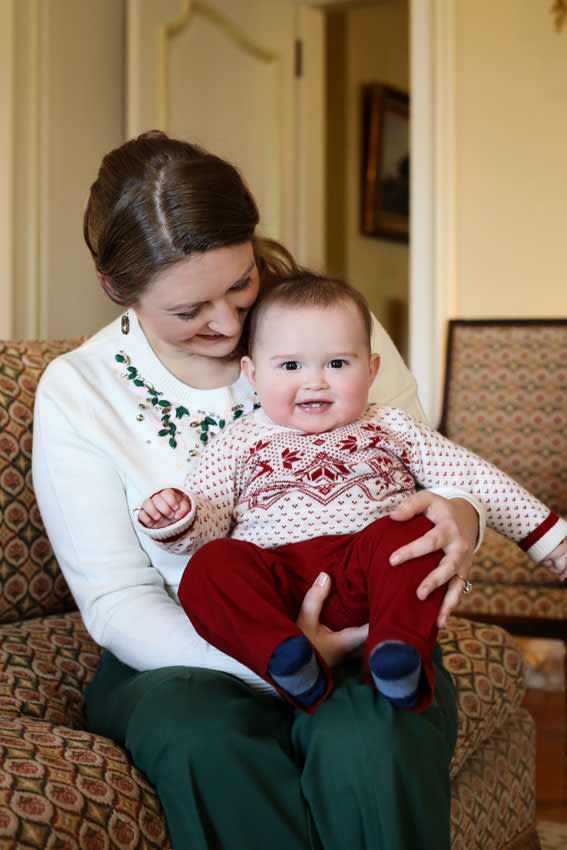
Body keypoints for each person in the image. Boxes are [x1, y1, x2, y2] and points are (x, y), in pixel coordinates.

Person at [32, 130, 484, 850]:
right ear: (117, 289)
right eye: (188, 311)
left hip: (360, 615)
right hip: (184, 652)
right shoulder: (81, 391)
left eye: (239, 285)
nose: (228, 322)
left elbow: (430, 474)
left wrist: (462, 517)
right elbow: (118, 600)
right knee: (203, 739)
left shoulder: (331, 325)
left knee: (370, 741)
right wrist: (278, 657)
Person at [136, 272, 567, 716]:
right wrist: (178, 517)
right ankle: (285, 658)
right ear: (252, 374)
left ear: (372, 368)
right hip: (278, 581)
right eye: (290, 366)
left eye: (338, 364)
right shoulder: (237, 441)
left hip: (371, 571)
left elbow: (473, 478)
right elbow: (208, 522)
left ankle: (397, 653)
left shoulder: (389, 425)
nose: (316, 382)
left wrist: (553, 542)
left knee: (415, 531)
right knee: (209, 568)